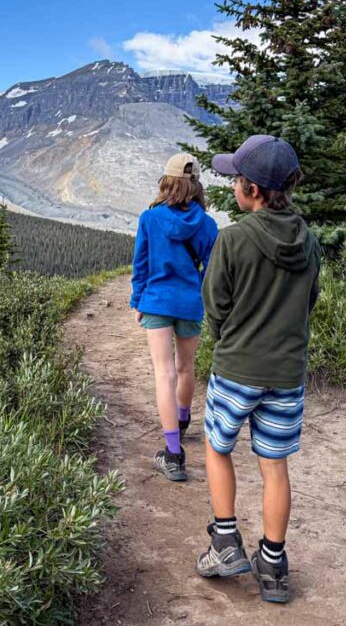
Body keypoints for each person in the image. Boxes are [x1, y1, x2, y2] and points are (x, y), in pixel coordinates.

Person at [195, 135, 321, 604]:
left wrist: (232, 336)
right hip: (287, 373)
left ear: (251, 190)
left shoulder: (232, 239)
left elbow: (216, 307)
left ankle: (226, 542)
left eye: (235, 180)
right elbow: (310, 302)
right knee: (275, 467)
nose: (232, 186)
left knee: (216, 446)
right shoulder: (309, 242)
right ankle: (273, 566)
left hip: (236, 367)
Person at [130, 153, 218, 482]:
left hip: (156, 301)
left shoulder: (149, 219)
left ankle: (173, 453)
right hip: (190, 303)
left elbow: (140, 264)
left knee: (163, 373)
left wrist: (137, 299)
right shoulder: (208, 225)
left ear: (167, 182)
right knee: (185, 368)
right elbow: (212, 272)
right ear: (196, 185)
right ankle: (183, 420)